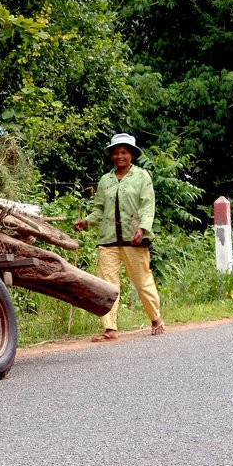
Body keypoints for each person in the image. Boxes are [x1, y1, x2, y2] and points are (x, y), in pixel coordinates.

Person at [74, 133, 166, 341]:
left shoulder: (141, 177)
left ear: (132, 154)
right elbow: (99, 210)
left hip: (134, 238)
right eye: (116, 153)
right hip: (108, 239)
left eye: (124, 152)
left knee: (142, 281)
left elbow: (147, 206)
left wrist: (142, 228)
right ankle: (110, 328)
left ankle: (155, 318)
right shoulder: (105, 180)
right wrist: (86, 221)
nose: (119, 156)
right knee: (107, 284)